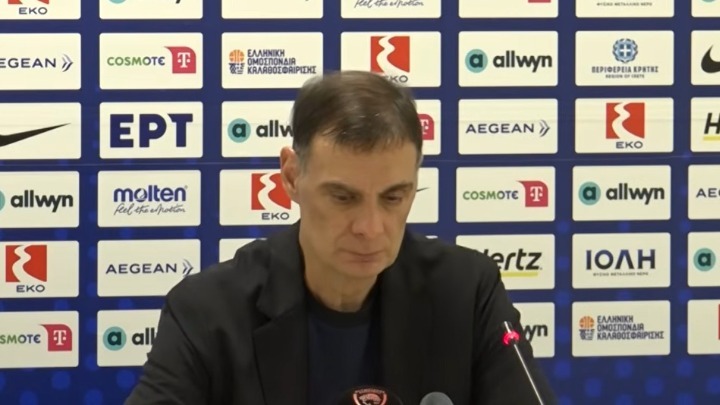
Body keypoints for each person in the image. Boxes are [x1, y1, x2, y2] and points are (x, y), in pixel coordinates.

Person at [125, 70, 556, 405]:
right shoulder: (208, 311)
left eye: (393, 197)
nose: (370, 227)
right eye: (343, 197)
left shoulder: (467, 290)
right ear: (292, 176)